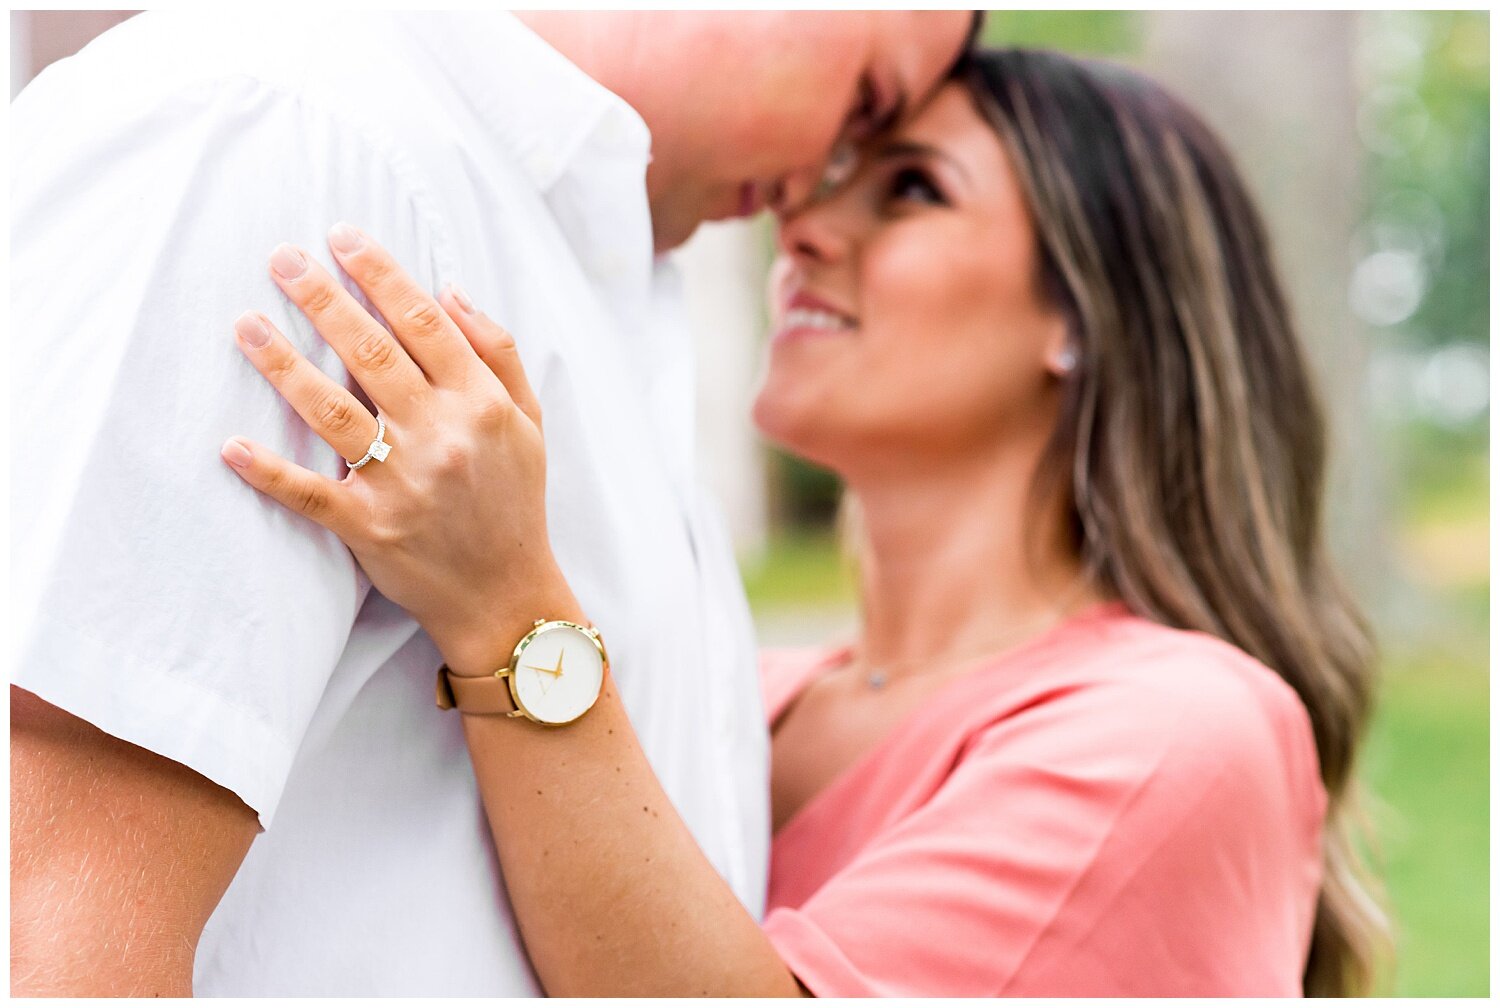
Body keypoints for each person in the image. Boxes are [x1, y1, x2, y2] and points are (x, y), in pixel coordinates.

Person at [218, 48, 1387, 996]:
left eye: (913, 189)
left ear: (1085, 316)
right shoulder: (755, 694)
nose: (808, 230)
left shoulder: (1180, 728)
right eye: (826, 181)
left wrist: (504, 607)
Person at [9, 10, 977, 997]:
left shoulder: (604, 278)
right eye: (863, 105)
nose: (822, 182)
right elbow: (55, 926)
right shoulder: (293, 132)